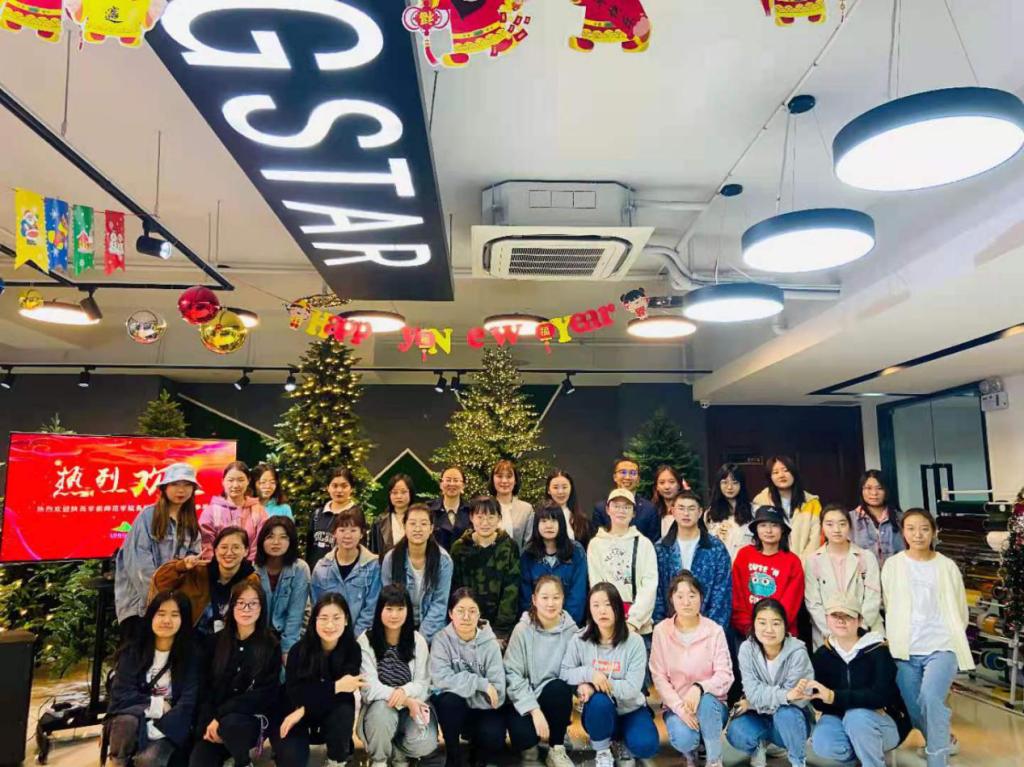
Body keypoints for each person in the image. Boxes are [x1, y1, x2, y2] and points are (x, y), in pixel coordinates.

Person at [882, 508, 973, 767]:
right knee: (914, 707)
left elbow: (960, 609)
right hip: (905, 649)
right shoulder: (893, 565)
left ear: (934, 532)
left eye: (924, 528)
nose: (918, 534)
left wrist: (951, 636)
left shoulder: (946, 566)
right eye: (911, 529)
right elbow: (889, 604)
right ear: (903, 533)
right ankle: (942, 739)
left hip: (941, 646)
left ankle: (937, 759)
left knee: (931, 698)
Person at [560, 583, 659, 767]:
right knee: (599, 702)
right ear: (589, 609)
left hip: (630, 709)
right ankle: (603, 751)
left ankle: (620, 740)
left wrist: (595, 685)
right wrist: (590, 674)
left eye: (608, 604)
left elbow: (632, 689)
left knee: (647, 746)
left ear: (618, 608)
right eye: (596, 605)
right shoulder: (579, 639)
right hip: (599, 711)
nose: (602, 611)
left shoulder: (634, 642)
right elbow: (565, 672)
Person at [808, 595, 911, 767]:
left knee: (856, 718)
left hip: (883, 723)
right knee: (823, 740)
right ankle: (856, 758)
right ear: (826, 618)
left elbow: (882, 696)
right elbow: (820, 703)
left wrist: (834, 697)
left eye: (848, 616)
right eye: (835, 615)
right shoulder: (821, 655)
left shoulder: (878, 651)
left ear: (860, 620)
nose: (841, 621)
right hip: (839, 720)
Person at [189, 583, 281, 767]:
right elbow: (205, 687)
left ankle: (243, 762)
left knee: (231, 725)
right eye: (240, 603)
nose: (246, 609)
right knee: (198, 761)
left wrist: (220, 717)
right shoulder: (214, 642)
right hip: (214, 722)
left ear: (261, 607)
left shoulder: (270, 644)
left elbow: (265, 693)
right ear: (232, 607)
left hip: (248, 720)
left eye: (253, 603)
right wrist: (208, 722)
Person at [103, 591, 200, 767]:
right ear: (151, 616)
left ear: (184, 620)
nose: (167, 620)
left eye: (175, 615)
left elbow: (188, 702)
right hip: (135, 720)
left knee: (148, 760)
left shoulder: (191, 655)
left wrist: (156, 727)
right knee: (125, 721)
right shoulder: (133, 650)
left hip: (168, 726)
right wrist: (158, 705)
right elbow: (121, 694)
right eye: (161, 614)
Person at [650, 572, 734, 767]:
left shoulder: (714, 631)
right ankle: (691, 753)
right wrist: (681, 709)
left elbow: (725, 675)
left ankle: (714, 759)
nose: (686, 602)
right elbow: (659, 677)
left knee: (707, 702)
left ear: (701, 598)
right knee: (685, 738)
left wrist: (700, 688)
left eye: (692, 595)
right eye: (680, 596)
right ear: (672, 599)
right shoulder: (661, 631)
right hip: (677, 706)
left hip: (712, 706)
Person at [275, 594, 364, 767]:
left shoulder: (352, 649)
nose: (330, 625)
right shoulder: (298, 650)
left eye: (336, 618)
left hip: (324, 713)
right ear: (314, 620)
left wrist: (305, 708)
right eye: (323, 618)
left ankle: (336, 761)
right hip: (295, 712)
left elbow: (345, 693)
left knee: (344, 709)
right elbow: (296, 693)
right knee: (291, 758)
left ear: (346, 620)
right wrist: (335, 686)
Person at [357, 585, 442, 767]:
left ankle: (399, 755)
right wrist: (402, 699)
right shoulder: (366, 640)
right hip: (380, 707)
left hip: (411, 707)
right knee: (382, 714)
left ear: (408, 611)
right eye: (389, 609)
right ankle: (379, 760)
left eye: (400, 609)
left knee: (425, 742)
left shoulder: (417, 640)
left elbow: (423, 683)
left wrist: (405, 693)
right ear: (379, 610)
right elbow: (368, 687)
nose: (394, 615)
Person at [726, 598, 815, 767]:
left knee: (786, 713)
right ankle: (759, 746)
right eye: (762, 623)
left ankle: (798, 760)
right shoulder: (747, 649)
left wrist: (752, 704)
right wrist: (785, 696)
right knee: (736, 731)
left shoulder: (798, 652)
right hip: (760, 716)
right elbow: (754, 692)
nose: (769, 629)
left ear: (785, 626)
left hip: (791, 718)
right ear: (754, 624)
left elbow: (798, 699)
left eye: (776, 623)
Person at [115, 463, 202, 633]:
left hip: (172, 605)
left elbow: (194, 555)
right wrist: (159, 599)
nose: (181, 490)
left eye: (187, 485)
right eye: (175, 484)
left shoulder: (190, 522)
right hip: (141, 604)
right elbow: (139, 565)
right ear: (164, 488)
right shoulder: (148, 516)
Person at [505, 575, 578, 767]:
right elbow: (512, 673)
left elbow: (578, 668)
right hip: (526, 700)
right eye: (545, 597)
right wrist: (534, 710)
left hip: (553, 698)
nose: (550, 603)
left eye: (556, 597)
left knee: (559, 688)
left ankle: (557, 747)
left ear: (563, 599)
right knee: (523, 736)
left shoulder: (571, 631)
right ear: (534, 600)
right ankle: (531, 752)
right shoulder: (522, 630)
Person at [430, 588, 507, 767]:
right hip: (456, 709)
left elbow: (498, 692)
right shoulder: (441, 640)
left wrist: (464, 691)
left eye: (472, 611)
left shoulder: (490, 644)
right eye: (460, 611)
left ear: (479, 614)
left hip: (482, 710)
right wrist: (480, 684)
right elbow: (440, 678)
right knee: (449, 701)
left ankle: (478, 751)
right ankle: (453, 755)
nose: (466, 617)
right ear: (451, 613)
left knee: (493, 737)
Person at [151, 526, 260, 636]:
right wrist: (181, 566)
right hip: (190, 638)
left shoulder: (250, 579)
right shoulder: (199, 571)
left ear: (246, 551)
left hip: (229, 641)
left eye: (236, 547)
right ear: (215, 551)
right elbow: (160, 582)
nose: (229, 553)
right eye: (224, 547)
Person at [804, 504, 882, 649]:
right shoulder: (813, 560)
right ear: (822, 527)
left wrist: (858, 629)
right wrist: (834, 632)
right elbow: (813, 603)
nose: (836, 529)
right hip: (827, 637)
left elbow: (873, 597)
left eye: (842, 524)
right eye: (829, 524)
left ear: (850, 526)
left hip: (864, 633)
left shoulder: (866, 557)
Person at [587, 488, 658, 640]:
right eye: (616, 506)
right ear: (608, 509)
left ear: (633, 513)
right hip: (606, 625)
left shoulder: (644, 544)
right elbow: (596, 584)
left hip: (638, 627)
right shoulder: (596, 544)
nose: (621, 511)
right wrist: (608, 617)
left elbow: (649, 584)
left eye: (627, 507)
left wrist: (633, 621)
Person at [653, 491, 732, 629]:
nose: (686, 513)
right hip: (670, 629)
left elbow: (722, 593)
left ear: (700, 512)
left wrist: (712, 630)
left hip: (708, 629)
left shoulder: (716, 548)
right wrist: (662, 628)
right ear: (673, 511)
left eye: (691, 509)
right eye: (681, 508)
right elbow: (657, 593)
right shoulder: (661, 548)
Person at [451, 496, 521, 642]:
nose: (485, 523)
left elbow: (511, 590)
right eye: (480, 517)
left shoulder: (509, 547)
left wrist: (500, 631)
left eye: (490, 517)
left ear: (499, 518)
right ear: (471, 517)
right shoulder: (460, 548)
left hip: (500, 629)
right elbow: (455, 589)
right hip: (465, 624)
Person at [381, 503, 454, 643]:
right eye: (412, 523)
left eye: (424, 524)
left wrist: (420, 639)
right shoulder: (391, 559)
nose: (418, 529)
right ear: (404, 526)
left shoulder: (443, 561)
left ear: (431, 528)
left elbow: (439, 604)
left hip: (433, 630)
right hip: (398, 625)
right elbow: (388, 600)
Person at [731, 508, 804, 638]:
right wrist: (749, 628)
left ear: (782, 529)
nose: (768, 531)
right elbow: (736, 595)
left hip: (781, 633)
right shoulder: (744, 555)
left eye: (774, 525)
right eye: (763, 525)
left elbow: (791, 604)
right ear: (756, 529)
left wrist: (772, 628)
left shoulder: (793, 561)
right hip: (746, 632)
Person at [310, 509, 381, 637]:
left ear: (361, 534)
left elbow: (372, 607)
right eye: (342, 530)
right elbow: (315, 605)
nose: (347, 536)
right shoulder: (322, 567)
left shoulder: (373, 566)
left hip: (360, 637)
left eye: (353, 530)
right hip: (327, 635)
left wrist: (354, 638)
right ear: (334, 533)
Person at [519, 506, 588, 626]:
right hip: (535, 625)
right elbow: (526, 597)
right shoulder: (527, 554)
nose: (549, 525)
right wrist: (539, 624)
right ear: (536, 525)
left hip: (569, 625)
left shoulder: (576, 551)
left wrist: (564, 624)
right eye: (544, 521)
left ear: (561, 523)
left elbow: (578, 595)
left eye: (554, 520)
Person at [254, 516, 310, 657]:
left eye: (283, 537)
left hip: (290, 635)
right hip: (257, 636)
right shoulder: (253, 569)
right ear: (262, 540)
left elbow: (295, 615)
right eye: (270, 537)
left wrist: (287, 650)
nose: (276, 542)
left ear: (291, 541)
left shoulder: (300, 569)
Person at [752, 456, 822, 558]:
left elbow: (815, 539)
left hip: (805, 563)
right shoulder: (760, 501)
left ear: (794, 473)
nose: (781, 475)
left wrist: (800, 563)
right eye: (775, 472)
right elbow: (757, 536)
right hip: (771, 564)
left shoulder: (812, 503)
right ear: (770, 477)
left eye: (786, 470)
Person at [199, 461, 268, 561]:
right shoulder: (211, 511)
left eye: (241, 480)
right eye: (230, 480)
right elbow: (206, 544)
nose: (235, 485)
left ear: (248, 481)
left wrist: (247, 565)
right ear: (223, 481)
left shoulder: (258, 510)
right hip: (217, 567)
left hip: (250, 567)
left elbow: (260, 542)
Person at [592, 457, 659, 544]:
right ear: (615, 477)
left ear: (638, 479)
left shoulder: (649, 509)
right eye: (623, 472)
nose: (627, 477)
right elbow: (598, 542)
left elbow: (653, 543)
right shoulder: (601, 508)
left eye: (632, 473)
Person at [307, 467, 363, 569]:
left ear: (351, 488)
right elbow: (309, 548)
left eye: (344, 486)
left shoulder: (357, 515)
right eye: (335, 486)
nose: (339, 490)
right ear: (328, 488)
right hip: (317, 573)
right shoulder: (317, 514)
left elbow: (361, 549)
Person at [851, 470, 904, 568]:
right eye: (868, 488)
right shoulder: (849, 519)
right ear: (861, 490)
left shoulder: (901, 518)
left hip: (896, 574)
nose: (874, 493)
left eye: (879, 488)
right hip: (863, 575)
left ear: (887, 490)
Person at [704, 463, 754, 559]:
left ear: (741, 485)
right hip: (719, 565)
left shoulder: (753, 511)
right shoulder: (710, 514)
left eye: (735, 482)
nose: (730, 487)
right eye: (725, 482)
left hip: (745, 564)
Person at [489, 458, 535, 552]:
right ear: (493, 480)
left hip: (519, 560)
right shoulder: (484, 507)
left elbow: (529, 544)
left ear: (515, 480)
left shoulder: (526, 509)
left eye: (509, 476)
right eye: (499, 476)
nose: (504, 481)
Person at [544, 469, 594, 549]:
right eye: (555, 487)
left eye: (564, 487)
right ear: (548, 490)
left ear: (571, 489)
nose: (560, 492)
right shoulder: (540, 518)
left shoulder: (583, 522)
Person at [370, 474, 416, 556]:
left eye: (403, 492)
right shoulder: (379, 522)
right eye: (394, 492)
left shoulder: (419, 518)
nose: (399, 496)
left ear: (411, 493)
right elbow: (374, 552)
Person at [429, 465, 472, 551]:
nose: (452, 484)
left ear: (463, 485)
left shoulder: (472, 510)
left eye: (456, 480)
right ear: (441, 484)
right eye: (448, 480)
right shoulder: (428, 509)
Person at [652, 464, 684, 540]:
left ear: (679, 485)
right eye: (662, 482)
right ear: (657, 487)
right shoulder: (652, 511)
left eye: (672, 482)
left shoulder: (686, 510)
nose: (667, 487)